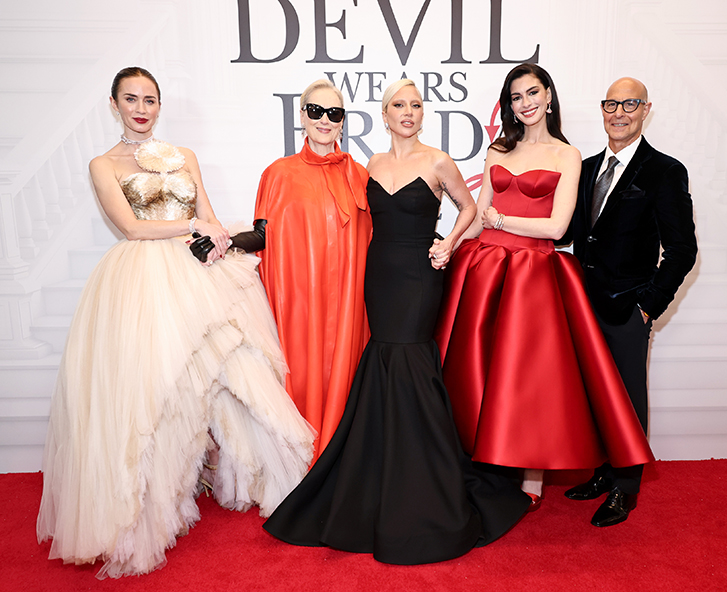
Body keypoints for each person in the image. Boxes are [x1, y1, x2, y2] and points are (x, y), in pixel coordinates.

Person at [36, 67, 316, 578]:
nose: (141, 108)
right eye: (131, 99)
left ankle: (267, 482)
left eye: (150, 100)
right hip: (145, 278)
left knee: (238, 371)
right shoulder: (103, 164)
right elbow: (131, 227)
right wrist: (192, 224)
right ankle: (151, 507)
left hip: (199, 268)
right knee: (157, 390)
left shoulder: (184, 155)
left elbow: (209, 213)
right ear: (114, 104)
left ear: (160, 105)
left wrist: (219, 238)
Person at [263, 79, 531, 565]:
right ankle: (382, 470)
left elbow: (470, 207)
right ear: (384, 116)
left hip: (421, 274)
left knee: (412, 360)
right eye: (398, 106)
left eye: (415, 105)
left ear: (422, 114)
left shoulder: (438, 161)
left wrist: (448, 244)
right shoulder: (370, 167)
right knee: (384, 357)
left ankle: (426, 476)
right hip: (380, 275)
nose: (408, 112)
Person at [434, 63, 654, 511]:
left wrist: (502, 221)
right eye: (516, 97)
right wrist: (449, 243)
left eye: (532, 93)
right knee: (478, 368)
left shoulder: (568, 156)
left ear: (549, 95)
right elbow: (478, 217)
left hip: (533, 272)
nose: (525, 103)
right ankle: (483, 459)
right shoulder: (498, 149)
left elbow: (556, 228)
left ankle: (532, 475)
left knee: (530, 374)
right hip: (485, 267)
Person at [560, 77, 697, 526]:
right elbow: (568, 232)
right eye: (611, 104)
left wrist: (648, 306)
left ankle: (626, 486)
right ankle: (603, 471)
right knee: (593, 395)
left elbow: (682, 250)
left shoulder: (664, 171)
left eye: (629, 104)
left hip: (628, 309)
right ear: (602, 110)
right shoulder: (585, 168)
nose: (619, 113)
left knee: (628, 399)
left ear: (645, 109)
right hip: (583, 306)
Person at [226, 80, 372, 456]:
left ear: (343, 121)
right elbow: (262, 235)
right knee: (300, 378)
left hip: (348, 307)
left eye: (334, 113)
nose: (325, 120)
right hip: (298, 305)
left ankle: (338, 460)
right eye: (316, 111)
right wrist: (226, 242)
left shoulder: (360, 176)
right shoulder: (278, 173)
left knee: (346, 378)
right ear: (302, 115)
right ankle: (299, 460)